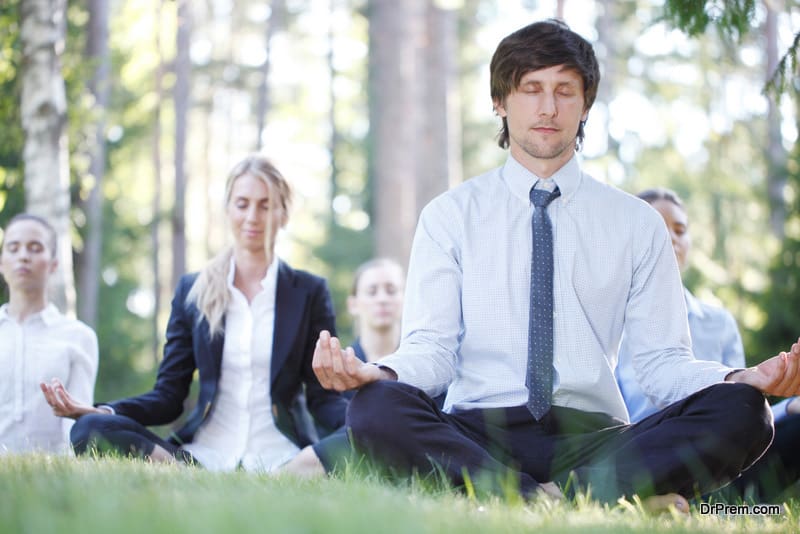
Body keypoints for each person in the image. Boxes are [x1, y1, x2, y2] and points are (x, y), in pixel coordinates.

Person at [311, 19, 800, 510]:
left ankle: (529, 498)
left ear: (585, 104)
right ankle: (591, 500)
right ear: (501, 101)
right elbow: (432, 351)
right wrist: (381, 374)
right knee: (375, 408)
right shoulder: (449, 216)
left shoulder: (638, 223)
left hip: (597, 438)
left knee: (744, 411)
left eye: (565, 90)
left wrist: (741, 379)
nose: (548, 108)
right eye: (531, 89)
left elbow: (662, 364)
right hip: (479, 434)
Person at [42, 155, 347, 472]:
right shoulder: (193, 290)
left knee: (369, 434)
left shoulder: (309, 292)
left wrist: (362, 423)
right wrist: (103, 412)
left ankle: (296, 474)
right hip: (205, 452)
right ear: (228, 210)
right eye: (242, 204)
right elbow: (168, 396)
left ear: (283, 215)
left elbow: (322, 397)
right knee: (90, 430)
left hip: (285, 455)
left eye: (265, 205)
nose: (252, 217)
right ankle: (179, 472)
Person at [616, 187, 800, 501]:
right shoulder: (610, 321)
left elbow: (745, 409)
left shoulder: (719, 322)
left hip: (716, 464)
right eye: (657, 227)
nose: (671, 238)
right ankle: (657, 498)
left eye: (680, 230)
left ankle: (705, 503)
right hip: (643, 455)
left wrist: (790, 407)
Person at [0, 213, 98, 453]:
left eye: (35, 248)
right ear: (2, 263)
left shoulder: (79, 337)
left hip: (53, 479)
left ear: (54, 264)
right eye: (13, 248)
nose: (23, 256)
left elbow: (79, 422)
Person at [346, 258, 405, 365]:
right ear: (353, 304)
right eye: (371, 292)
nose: (382, 299)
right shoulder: (341, 368)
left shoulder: (421, 365)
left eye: (391, 291)